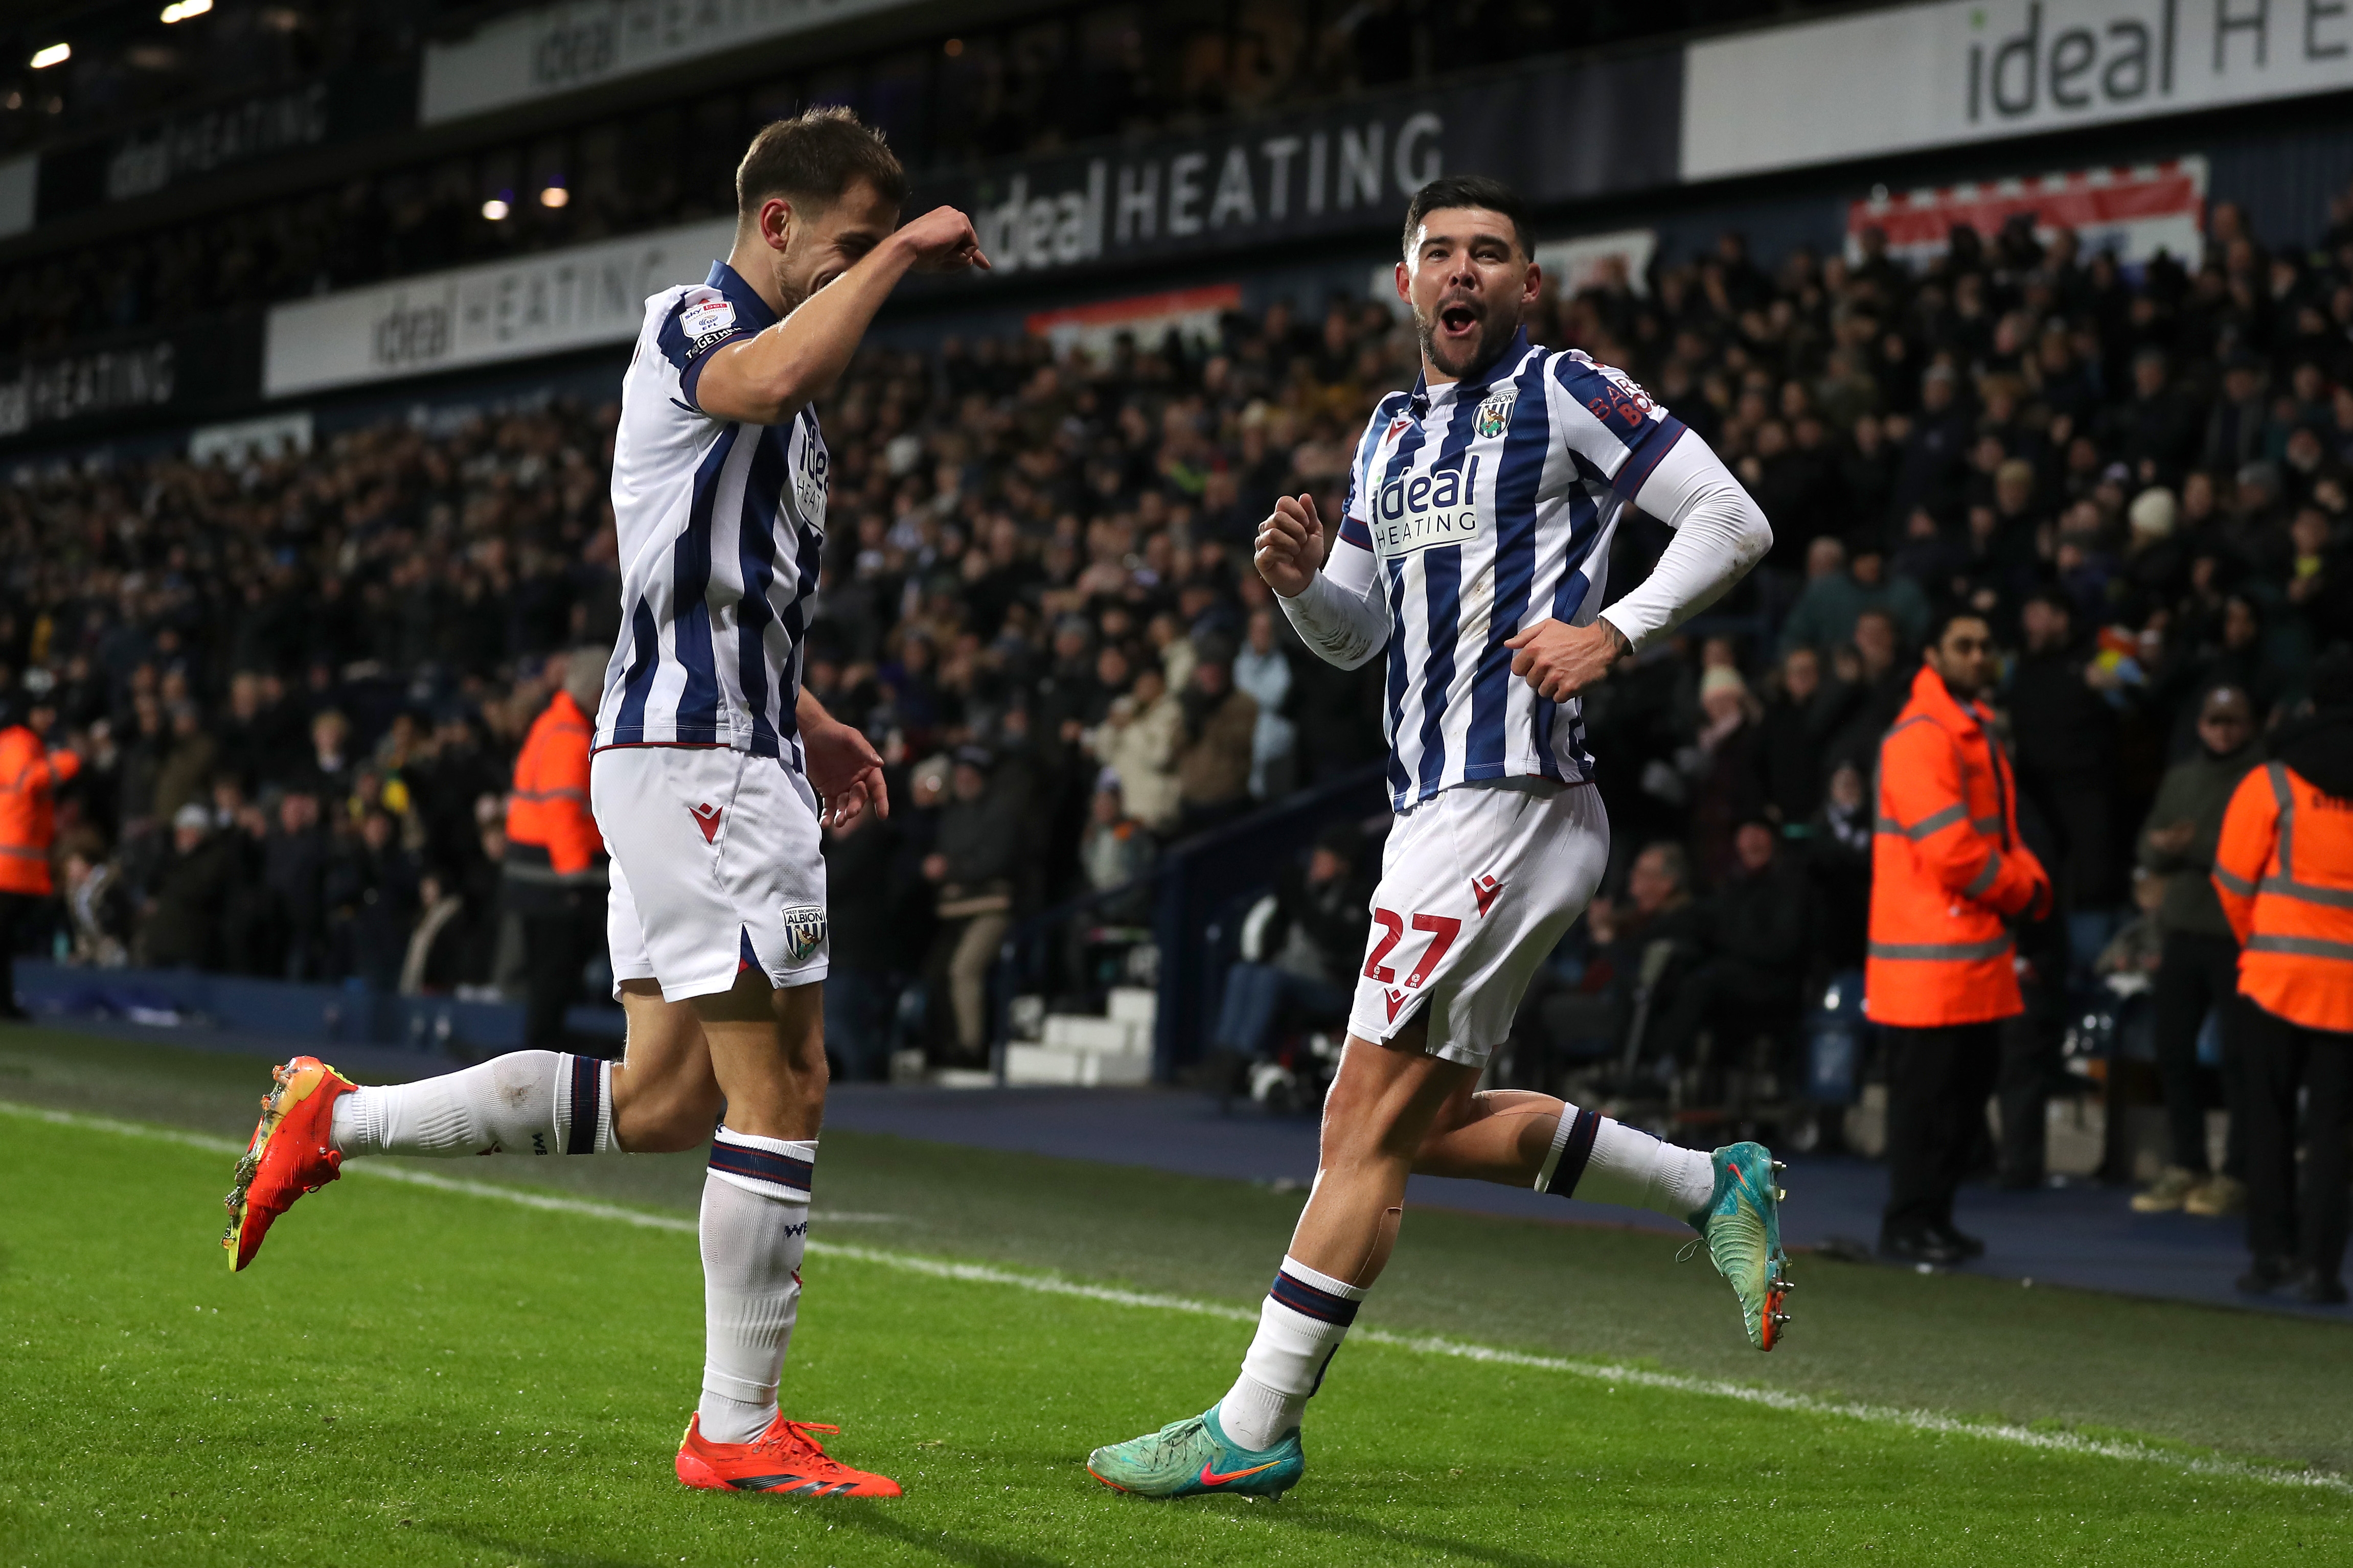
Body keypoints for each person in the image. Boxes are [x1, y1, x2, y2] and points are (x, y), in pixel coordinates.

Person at [219, 106, 987, 1498]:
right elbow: (760, 380)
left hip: (715, 746)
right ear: (776, 227)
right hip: (697, 764)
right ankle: (736, 1424)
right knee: (788, 1081)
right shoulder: (696, 323)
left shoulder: (792, 403)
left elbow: (703, 582)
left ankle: (337, 1119)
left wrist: (811, 716)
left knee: (662, 1098)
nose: (873, 268)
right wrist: (913, 253)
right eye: (851, 244)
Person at [1087, 174, 1780, 1503]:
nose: (1463, 271)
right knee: (1419, 1119)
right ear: (1405, 283)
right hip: (1432, 810)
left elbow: (1732, 520)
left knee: (1356, 1126)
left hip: (1510, 795)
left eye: (1491, 253)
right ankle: (1711, 1183)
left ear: (1526, 284)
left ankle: (1253, 1422)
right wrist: (1300, 588)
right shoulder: (1389, 430)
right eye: (1440, 253)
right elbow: (1362, 632)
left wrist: (1615, 631)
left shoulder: (1566, 388)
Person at [1866, 610, 2052, 1266]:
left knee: (1956, 1107)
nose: (1978, 655)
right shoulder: (1925, 734)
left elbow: (1990, 838)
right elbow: (1952, 851)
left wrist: (2024, 879)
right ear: (1932, 655)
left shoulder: (1965, 731)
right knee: (1929, 1110)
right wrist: (2022, 888)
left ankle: (1931, 1220)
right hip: (1930, 964)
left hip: (1960, 960)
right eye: (1963, 645)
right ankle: (1909, 1223)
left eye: (1984, 645)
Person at [2214, 651, 2353, 1305]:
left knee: (2265, 1121)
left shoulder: (2272, 780)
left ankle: (2269, 1256)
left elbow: (2232, 880)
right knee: (2336, 1135)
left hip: (2274, 978)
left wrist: (2260, 944)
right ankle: (2320, 1268)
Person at [2130, 685, 2259, 1217]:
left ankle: (2236, 1171)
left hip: (2236, 934)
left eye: (2232, 720)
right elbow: (2145, 845)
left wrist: (2195, 847)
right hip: (2182, 929)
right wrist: (2160, 849)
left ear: (2248, 725)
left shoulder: (2259, 780)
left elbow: (2255, 855)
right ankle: (2187, 1163)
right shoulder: (2181, 776)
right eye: (2214, 720)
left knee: (2239, 1058)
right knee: (2173, 1051)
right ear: (2201, 723)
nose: (2223, 730)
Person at [502, 649, 609, 1053]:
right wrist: (576, 880)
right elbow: (563, 810)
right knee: (554, 978)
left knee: (548, 980)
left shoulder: (554, 723)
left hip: (535, 876)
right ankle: (544, 1061)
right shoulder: (569, 735)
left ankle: (542, 1056)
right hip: (551, 882)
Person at [1209, 822, 1368, 1060]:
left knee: (1268, 979)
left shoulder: (1357, 896)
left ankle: (1242, 1060)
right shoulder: (1306, 889)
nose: (1315, 863)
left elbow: (1337, 943)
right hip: (1290, 974)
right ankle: (1222, 1055)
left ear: (1343, 864)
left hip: (1330, 986)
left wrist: (1302, 903)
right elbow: (1275, 936)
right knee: (1242, 971)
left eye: (1324, 858)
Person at [0, 696, 79, 1018]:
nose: (49, 717)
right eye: (42, 710)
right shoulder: (20, 743)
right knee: (6, 939)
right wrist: (69, 761)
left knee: (6, 942)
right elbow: (28, 782)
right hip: (11, 864)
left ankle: (5, 1003)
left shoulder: (18, 743)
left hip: (18, 864)